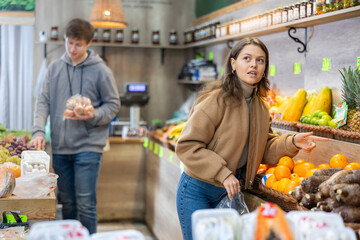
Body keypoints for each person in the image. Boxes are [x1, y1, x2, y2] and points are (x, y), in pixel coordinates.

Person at [175, 37, 327, 240]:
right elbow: (187, 146)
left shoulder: (261, 107)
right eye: (247, 58)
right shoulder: (216, 99)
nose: (254, 64)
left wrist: (291, 142)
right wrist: (223, 173)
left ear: (265, 68)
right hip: (197, 190)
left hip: (228, 192)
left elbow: (262, 147)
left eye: (260, 60)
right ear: (233, 63)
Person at [30, 18, 120, 234]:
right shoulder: (54, 68)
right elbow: (43, 101)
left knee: (86, 204)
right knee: (67, 202)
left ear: (89, 43)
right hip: (60, 147)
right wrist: (39, 131)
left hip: (89, 146)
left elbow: (113, 104)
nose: (72, 49)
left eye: (78, 44)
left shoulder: (101, 71)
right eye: (69, 43)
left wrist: (93, 114)